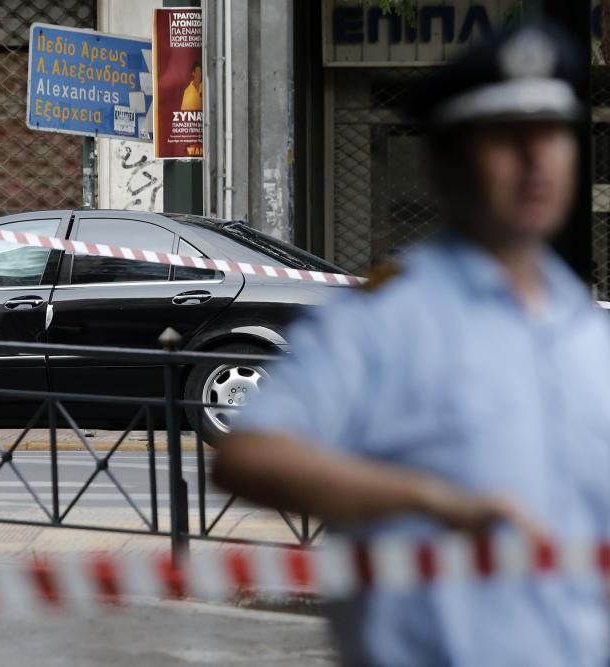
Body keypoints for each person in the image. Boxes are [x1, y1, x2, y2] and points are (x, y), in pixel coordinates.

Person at [212, 21, 610, 667]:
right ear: (445, 166)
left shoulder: (589, 332)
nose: (537, 158)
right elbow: (250, 455)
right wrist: (432, 498)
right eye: (505, 138)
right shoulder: (386, 320)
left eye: (552, 133)